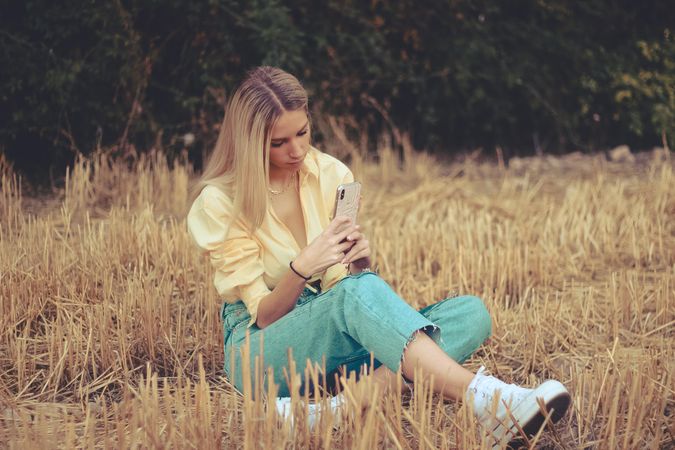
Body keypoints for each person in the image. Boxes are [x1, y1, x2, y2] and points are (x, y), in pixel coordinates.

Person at [187, 66, 570, 447]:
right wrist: (304, 266)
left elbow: (349, 291)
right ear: (251, 141)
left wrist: (360, 265)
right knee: (361, 302)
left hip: (333, 349)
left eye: (303, 132)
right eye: (279, 142)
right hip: (262, 353)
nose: (298, 150)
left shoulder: (331, 173)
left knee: (470, 314)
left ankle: (334, 409)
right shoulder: (219, 201)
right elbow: (267, 316)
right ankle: (492, 399)